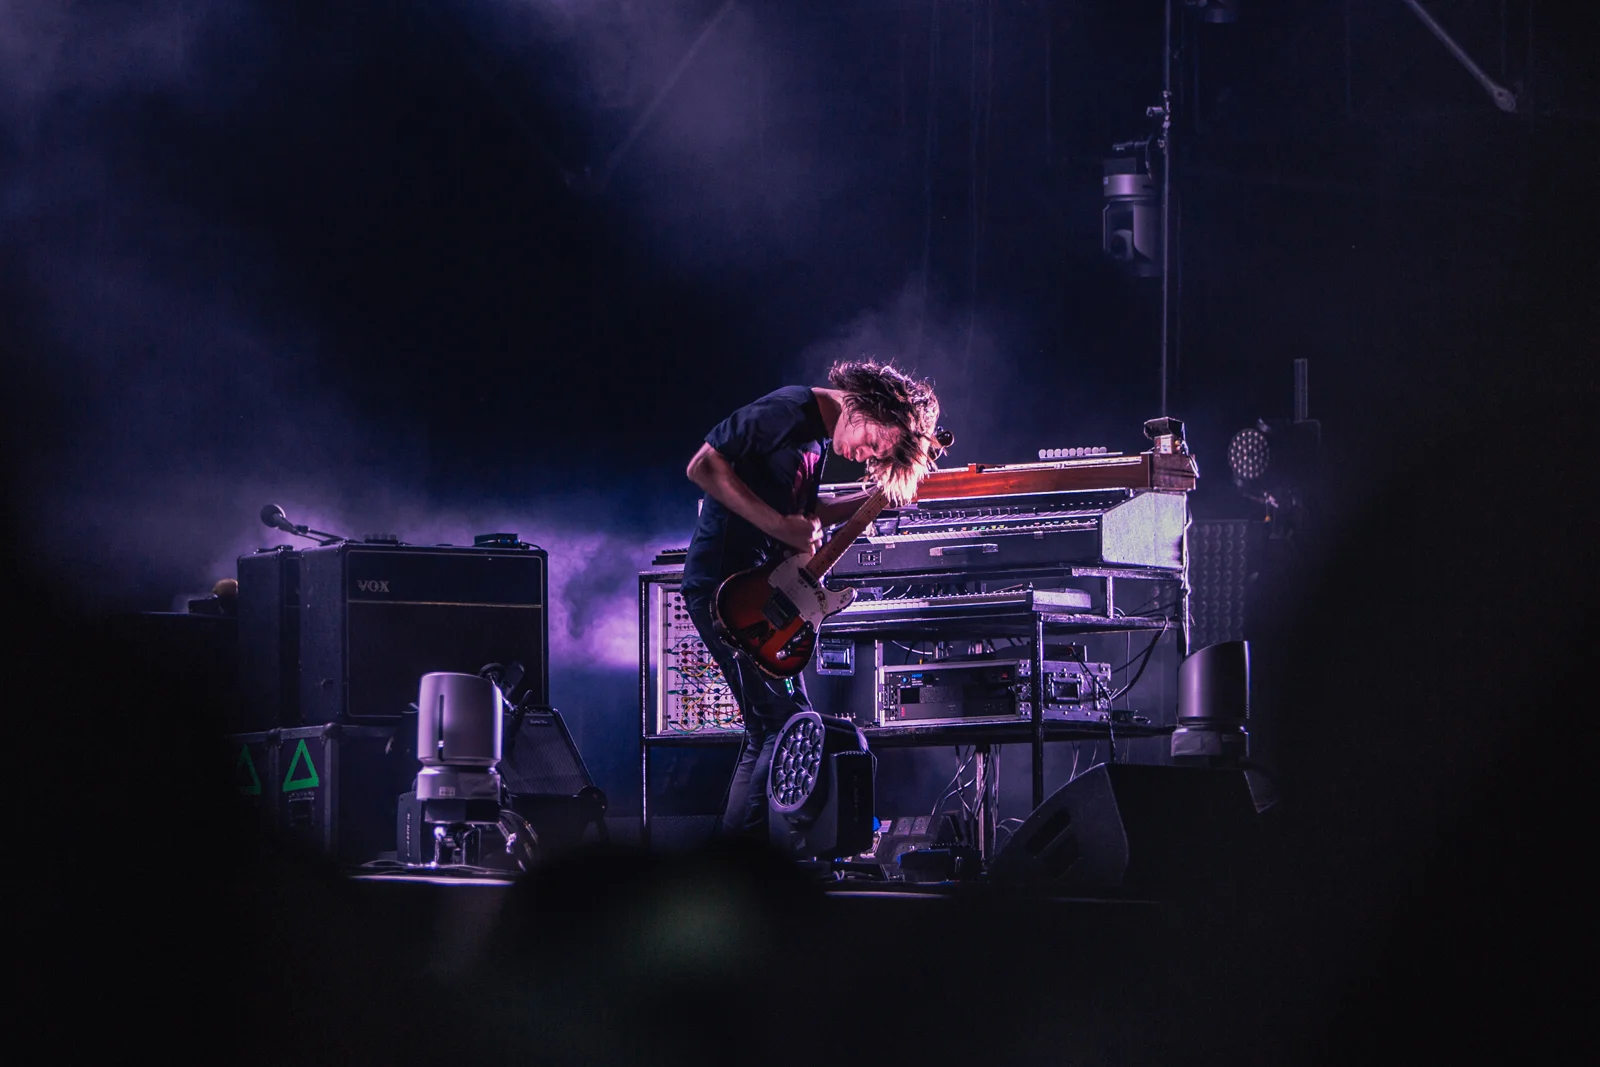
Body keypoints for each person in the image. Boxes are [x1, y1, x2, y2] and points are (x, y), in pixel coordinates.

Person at [681, 359, 944, 843]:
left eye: (873, 456)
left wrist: (877, 497)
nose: (863, 454)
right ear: (864, 404)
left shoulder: (818, 436)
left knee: (769, 728)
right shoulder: (787, 409)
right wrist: (780, 528)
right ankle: (746, 862)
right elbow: (704, 465)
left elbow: (805, 509)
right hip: (727, 589)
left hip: (760, 588)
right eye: (873, 443)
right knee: (785, 724)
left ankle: (740, 856)